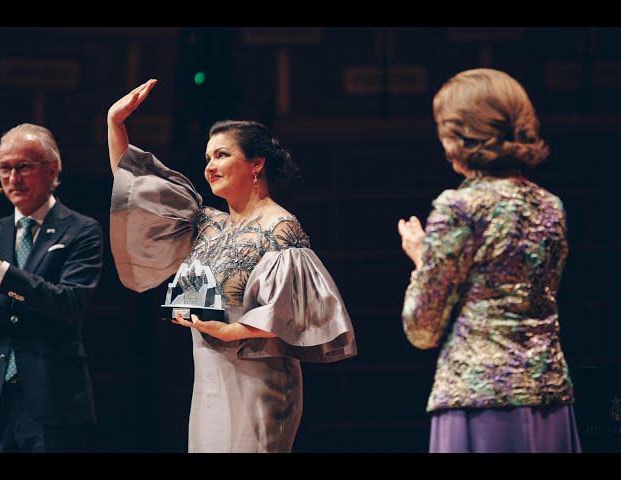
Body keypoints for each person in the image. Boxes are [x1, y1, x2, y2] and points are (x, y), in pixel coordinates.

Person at [107, 79, 357, 453]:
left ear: (256, 164)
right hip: (207, 377)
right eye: (208, 158)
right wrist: (115, 124)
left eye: (222, 155)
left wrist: (226, 332)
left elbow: (286, 312)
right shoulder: (207, 222)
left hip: (258, 381)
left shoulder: (279, 226)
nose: (210, 166)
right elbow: (136, 187)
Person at [398, 68, 582, 453]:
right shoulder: (550, 207)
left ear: (462, 137)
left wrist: (421, 257)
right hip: (548, 396)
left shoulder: (461, 207)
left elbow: (423, 328)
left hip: (479, 402)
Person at [0, 123, 104, 452]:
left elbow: (70, 302)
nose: (13, 178)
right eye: (5, 168)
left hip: (53, 401)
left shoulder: (81, 230)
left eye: (23, 167)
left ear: (52, 169)